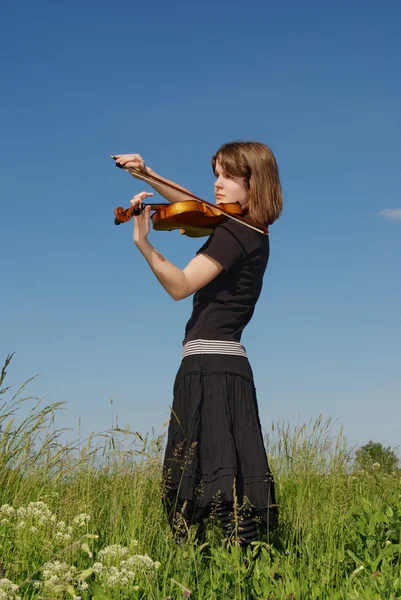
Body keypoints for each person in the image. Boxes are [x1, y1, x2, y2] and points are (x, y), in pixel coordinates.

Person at [114, 141, 282, 546]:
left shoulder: (233, 234)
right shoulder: (249, 231)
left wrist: (144, 244)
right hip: (225, 364)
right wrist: (145, 172)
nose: (217, 185)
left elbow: (182, 285)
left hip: (209, 364)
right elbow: (197, 204)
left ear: (252, 183)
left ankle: (228, 567)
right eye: (216, 173)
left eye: (227, 175)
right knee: (227, 477)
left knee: (209, 483)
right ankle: (239, 568)